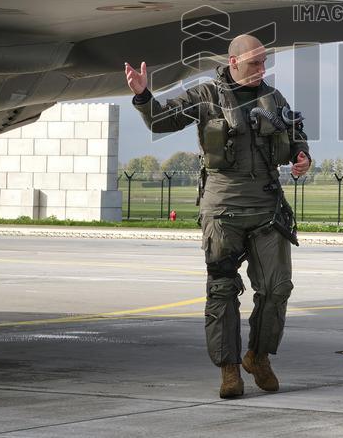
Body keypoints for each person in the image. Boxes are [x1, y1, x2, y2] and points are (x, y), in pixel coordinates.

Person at [125, 34, 311, 399]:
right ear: (234, 61)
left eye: (264, 63)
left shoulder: (273, 99)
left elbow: (296, 133)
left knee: (277, 288)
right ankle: (229, 369)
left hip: (267, 208)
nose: (261, 70)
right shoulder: (206, 96)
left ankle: (257, 357)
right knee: (222, 291)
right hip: (223, 209)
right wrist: (144, 96)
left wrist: (302, 156)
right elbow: (161, 120)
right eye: (255, 63)